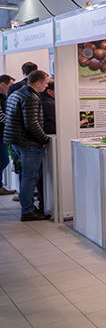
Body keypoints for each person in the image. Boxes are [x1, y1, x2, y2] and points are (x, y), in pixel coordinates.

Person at [4, 70, 51, 221]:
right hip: (28, 143)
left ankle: (28, 207)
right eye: (45, 83)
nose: (46, 86)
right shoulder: (31, 97)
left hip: (17, 141)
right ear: (37, 83)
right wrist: (44, 139)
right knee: (30, 178)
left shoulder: (16, 94)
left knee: (25, 176)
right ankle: (28, 210)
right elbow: (31, 124)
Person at [0, 75, 16, 195]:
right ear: (2, 84)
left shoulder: (3, 97)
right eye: (10, 86)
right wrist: (15, 119)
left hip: (3, 133)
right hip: (0, 134)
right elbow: (1, 117)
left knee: (3, 160)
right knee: (3, 160)